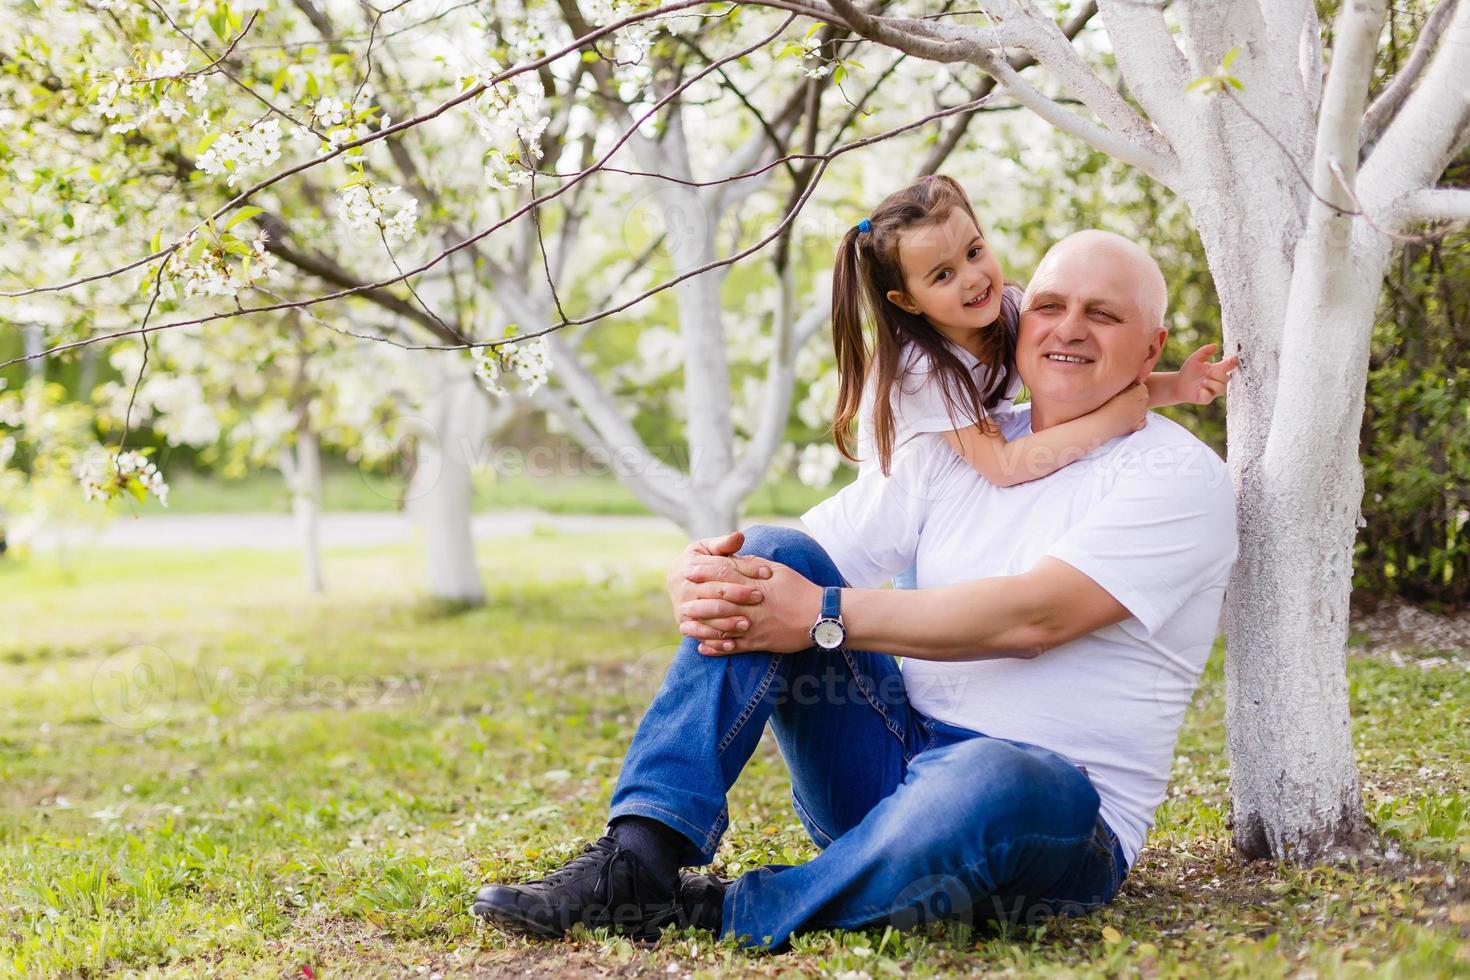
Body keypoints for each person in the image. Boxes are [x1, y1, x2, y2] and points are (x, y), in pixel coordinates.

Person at [471, 229, 1239, 952]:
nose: (1069, 329)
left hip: (1049, 818)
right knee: (769, 550)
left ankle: (728, 907)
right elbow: (787, 563)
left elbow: (1035, 617)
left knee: (995, 774)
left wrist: (823, 616)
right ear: (1018, 314)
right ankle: (635, 860)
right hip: (889, 768)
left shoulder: (1176, 476)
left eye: (1102, 315)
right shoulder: (962, 445)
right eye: (1050, 305)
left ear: (1152, 347)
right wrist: (703, 572)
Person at [838, 173, 1232, 588]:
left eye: (974, 252)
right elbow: (1004, 466)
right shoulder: (920, 368)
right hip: (914, 519)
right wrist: (1111, 421)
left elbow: (1082, 374)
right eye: (942, 275)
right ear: (908, 301)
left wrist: (1177, 388)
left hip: (968, 486)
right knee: (927, 627)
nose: (972, 278)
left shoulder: (1009, 308)